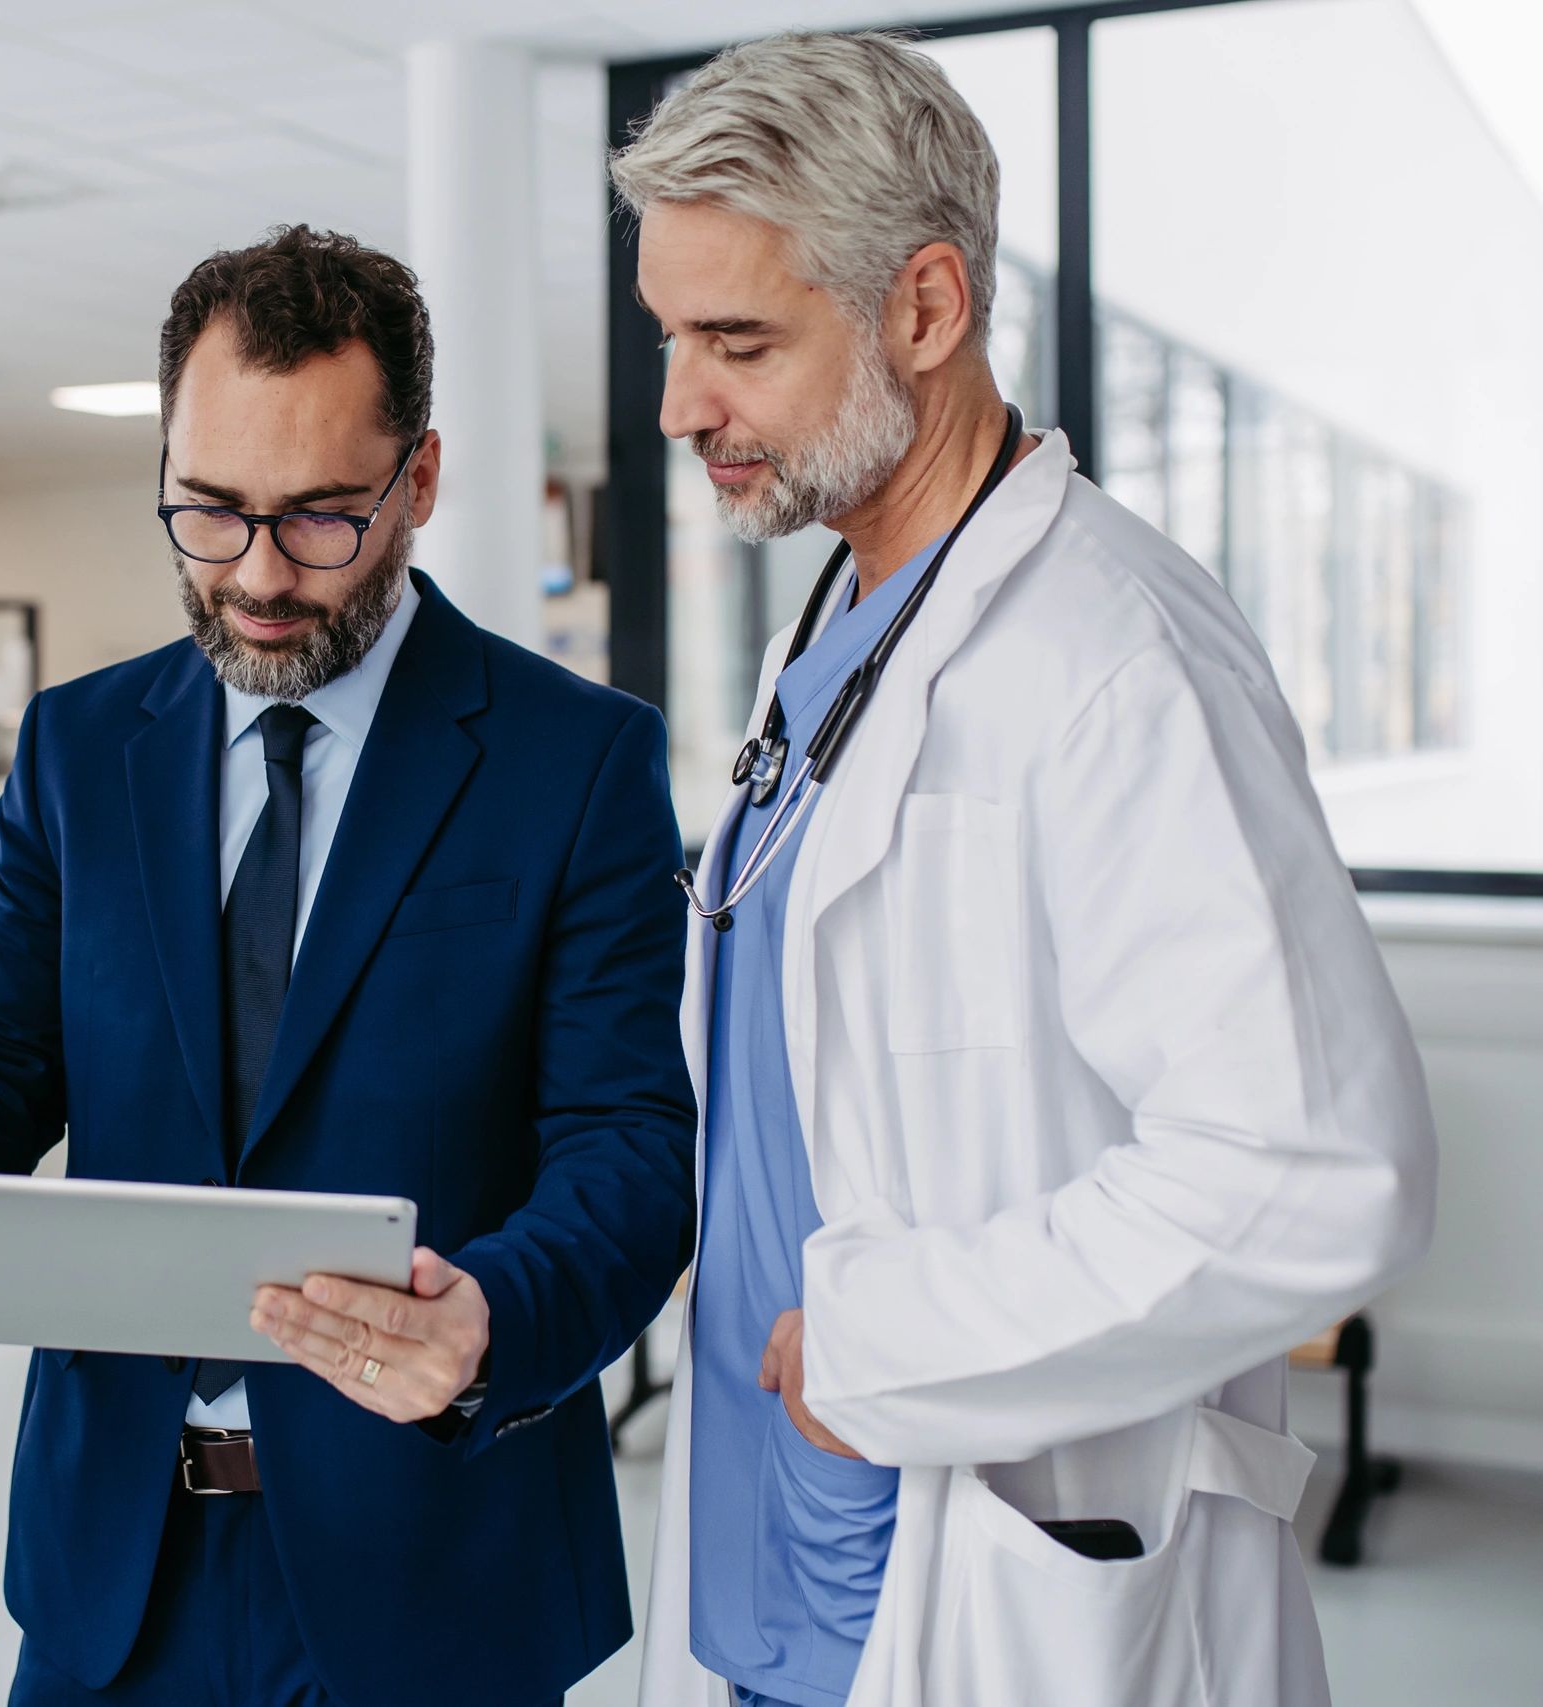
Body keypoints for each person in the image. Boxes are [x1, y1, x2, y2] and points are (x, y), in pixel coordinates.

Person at [611, 32, 1436, 1707]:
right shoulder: (838, 627)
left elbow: (1317, 1165)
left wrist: (891, 1338)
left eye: (738, 340)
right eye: (671, 339)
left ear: (924, 309)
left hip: (990, 1591)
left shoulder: (1113, 649)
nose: (680, 403)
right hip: (773, 1566)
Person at [0, 226, 698, 1707]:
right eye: (208, 513)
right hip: (115, 1573)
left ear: (419, 478)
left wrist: (488, 1320)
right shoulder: (84, 746)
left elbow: (633, 1142)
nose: (260, 576)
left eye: (321, 517)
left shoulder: (576, 759)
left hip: (435, 1570)